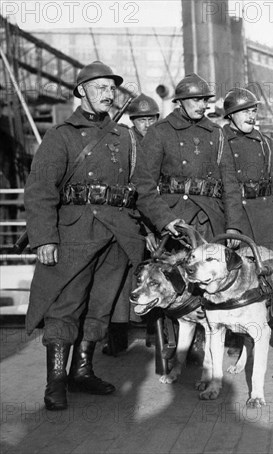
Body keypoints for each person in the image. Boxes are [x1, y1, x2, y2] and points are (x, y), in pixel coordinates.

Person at [24, 61, 145, 410]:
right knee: (66, 307)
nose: (108, 94)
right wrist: (44, 238)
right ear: (81, 91)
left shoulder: (125, 137)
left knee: (100, 307)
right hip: (75, 234)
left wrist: (159, 224)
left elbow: (141, 188)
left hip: (116, 236)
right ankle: (56, 382)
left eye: (112, 88)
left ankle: (82, 371)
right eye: (100, 87)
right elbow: (41, 189)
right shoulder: (60, 135)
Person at [132, 73, 243, 243]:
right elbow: (145, 185)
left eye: (205, 100)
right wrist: (151, 228)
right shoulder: (160, 131)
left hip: (211, 220)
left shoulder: (216, 133)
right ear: (181, 101)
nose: (202, 105)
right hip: (174, 222)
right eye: (196, 100)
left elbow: (230, 184)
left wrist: (233, 225)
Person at [102, 93, 162, 357]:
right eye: (141, 120)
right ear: (132, 121)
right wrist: (146, 230)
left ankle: (155, 335)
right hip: (132, 221)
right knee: (121, 280)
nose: (147, 124)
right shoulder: (127, 144)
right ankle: (116, 339)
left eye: (151, 119)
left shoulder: (160, 143)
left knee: (158, 279)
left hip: (158, 219)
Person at [222, 87, 273, 255]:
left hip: (270, 221)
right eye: (245, 112)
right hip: (238, 220)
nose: (251, 117)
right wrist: (232, 225)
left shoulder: (266, 143)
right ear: (231, 114)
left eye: (253, 111)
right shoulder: (219, 141)